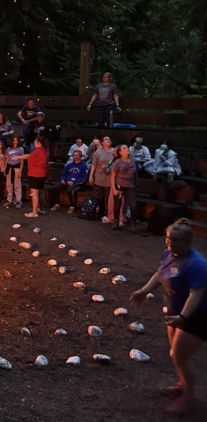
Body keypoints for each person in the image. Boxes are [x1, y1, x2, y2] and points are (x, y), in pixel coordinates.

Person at [130, 219, 207, 416]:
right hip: (174, 312)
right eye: (168, 238)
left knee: (178, 356)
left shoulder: (197, 264)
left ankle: (188, 397)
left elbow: (196, 295)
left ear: (189, 241)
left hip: (196, 315)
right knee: (175, 352)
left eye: (176, 240)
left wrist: (183, 317)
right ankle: (182, 384)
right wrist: (143, 291)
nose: (170, 243)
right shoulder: (169, 253)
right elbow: (160, 273)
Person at [110, 144, 138, 232]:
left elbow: (135, 173)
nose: (127, 149)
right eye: (124, 148)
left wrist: (137, 183)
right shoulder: (118, 162)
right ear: (120, 152)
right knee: (117, 205)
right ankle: (116, 222)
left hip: (130, 186)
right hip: (119, 186)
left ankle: (133, 224)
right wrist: (114, 189)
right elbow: (112, 176)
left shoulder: (133, 161)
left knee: (133, 205)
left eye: (127, 147)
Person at [18, 137, 49, 218]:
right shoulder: (44, 150)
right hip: (41, 174)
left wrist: (17, 157)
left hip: (35, 174)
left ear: (38, 142)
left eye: (35, 141)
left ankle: (34, 212)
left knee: (34, 192)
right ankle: (41, 208)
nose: (34, 142)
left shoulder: (39, 150)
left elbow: (29, 156)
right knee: (40, 191)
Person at [88, 136, 115, 224]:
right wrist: (91, 176)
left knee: (108, 198)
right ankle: (96, 213)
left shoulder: (114, 151)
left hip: (110, 179)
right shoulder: (98, 152)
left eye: (109, 139)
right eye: (106, 139)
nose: (108, 140)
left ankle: (107, 215)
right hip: (99, 177)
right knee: (97, 197)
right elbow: (94, 164)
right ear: (102, 142)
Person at [5, 136, 24, 208]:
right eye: (14, 140)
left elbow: (22, 161)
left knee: (17, 185)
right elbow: (7, 159)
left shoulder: (21, 149)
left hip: (17, 168)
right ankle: (9, 200)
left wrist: (20, 171)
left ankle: (18, 200)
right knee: (9, 184)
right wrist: (5, 169)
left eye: (16, 140)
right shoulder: (8, 149)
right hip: (9, 167)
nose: (15, 142)